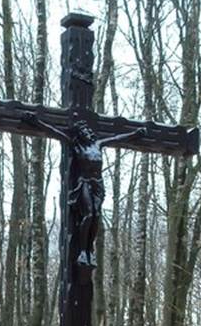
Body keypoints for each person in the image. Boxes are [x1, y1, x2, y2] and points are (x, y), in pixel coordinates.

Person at [22, 113, 146, 275]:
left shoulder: (99, 144)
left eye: (88, 131)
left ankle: (89, 250)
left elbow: (117, 139)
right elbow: (54, 131)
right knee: (88, 214)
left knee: (96, 215)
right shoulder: (76, 145)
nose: (88, 133)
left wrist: (135, 134)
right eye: (84, 131)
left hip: (97, 184)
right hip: (84, 183)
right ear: (79, 134)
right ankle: (82, 251)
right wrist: (36, 121)